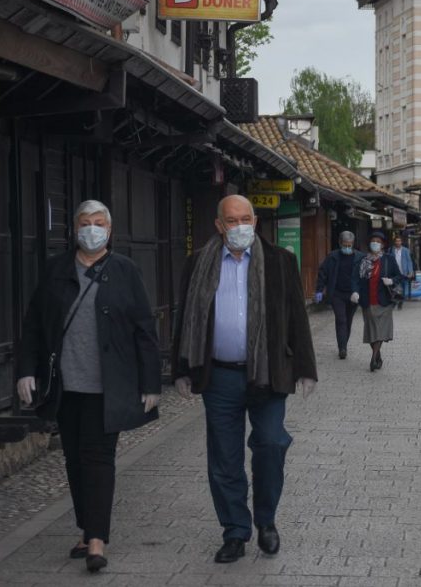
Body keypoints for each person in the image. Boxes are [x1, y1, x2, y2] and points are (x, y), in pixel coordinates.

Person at [16, 200, 161, 574]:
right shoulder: (56, 270)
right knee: (74, 459)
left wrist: (150, 382)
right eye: (85, 223)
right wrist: (25, 370)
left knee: (98, 458)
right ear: (75, 229)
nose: (92, 229)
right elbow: (34, 325)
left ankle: (97, 539)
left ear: (109, 230)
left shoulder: (126, 271)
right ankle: (86, 528)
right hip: (65, 385)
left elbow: (145, 330)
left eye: (99, 223)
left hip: (107, 386)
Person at [171, 195, 318, 563]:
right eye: (232, 221)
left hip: (268, 375)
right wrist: (181, 369)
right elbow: (185, 316)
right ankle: (235, 530)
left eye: (246, 219)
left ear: (255, 220)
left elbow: (296, 317)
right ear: (219, 225)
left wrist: (305, 368)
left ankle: (266, 520)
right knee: (224, 458)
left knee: (270, 444)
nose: (240, 227)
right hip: (218, 375)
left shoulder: (280, 262)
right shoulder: (198, 263)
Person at [351, 231, 404, 372]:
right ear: (369, 244)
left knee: (380, 330)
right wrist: (355, 291)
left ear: (383, 244)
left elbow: (399, 276)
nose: (375, 243)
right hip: (367, 300)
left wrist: (391, 280)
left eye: (378, 241)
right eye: (373, 241)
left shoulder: (388, 259)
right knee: (371, 331)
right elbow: (355, 278)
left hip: (384, 301)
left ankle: (373, 359)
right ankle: (378, 356)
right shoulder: (363, 260)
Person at [315, 231, 363, 359]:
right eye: (345, 244)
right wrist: (319, 290)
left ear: (353, 244)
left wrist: (360, 292)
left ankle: (343, 344)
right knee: (341, 320)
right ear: (340, 243)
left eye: (350, 245)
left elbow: (364, 277)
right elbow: (323, 272)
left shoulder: (360, 257)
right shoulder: (333, 256)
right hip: (337, 293)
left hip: (353, 294)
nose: (347, 247)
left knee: (348, 321)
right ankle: (342, 348)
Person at [389, 235, 415, 309]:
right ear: (394, 242)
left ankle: (400, 302)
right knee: (395, 288)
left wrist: (410, 272)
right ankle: (394, 301)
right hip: (394, 273)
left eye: (399, 241)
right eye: (396, 241)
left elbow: (409, 261)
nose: (398, 242)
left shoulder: (406, 250)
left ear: (401, 242)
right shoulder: (391, 250)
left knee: (402, 288)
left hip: (404, 273)